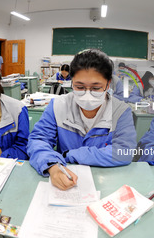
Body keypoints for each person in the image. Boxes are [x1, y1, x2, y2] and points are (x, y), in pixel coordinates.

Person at [27, 49, 136, 190]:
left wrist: (72, 155)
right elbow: (38, 140)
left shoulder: (120, 111)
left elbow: (124, 152)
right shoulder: (58, 106)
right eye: (79, 87)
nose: (87, 94)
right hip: (66, 178)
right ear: (71, 82)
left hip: (105, 181)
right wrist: (53, 166)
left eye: (96, 88)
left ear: (108, 85)